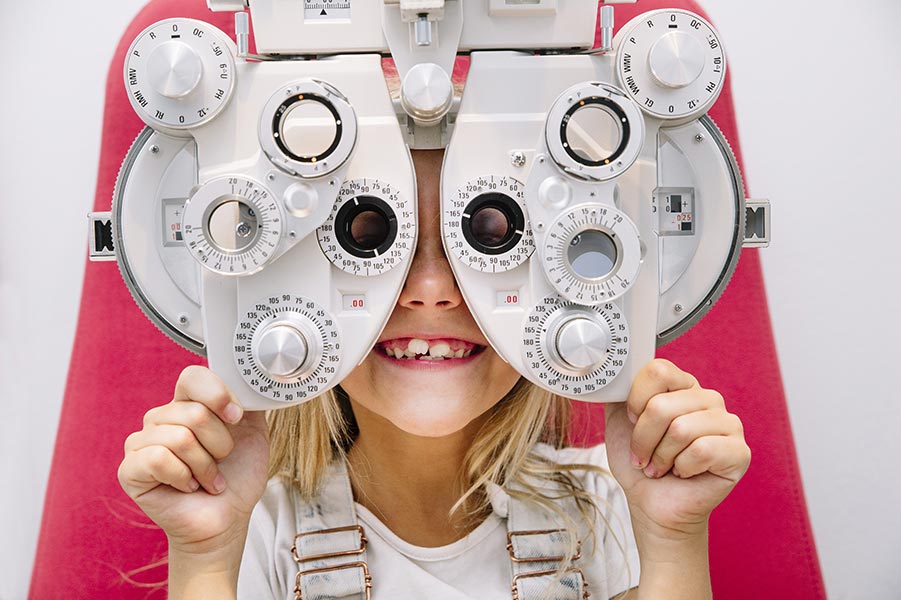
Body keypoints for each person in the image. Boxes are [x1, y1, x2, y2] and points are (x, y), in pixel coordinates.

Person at [118, 149, 751, 599]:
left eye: (488, 236)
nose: (430, 290)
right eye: (369, 235)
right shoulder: (255, 528)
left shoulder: (612, 503)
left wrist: (672, 539)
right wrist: (205, 559)